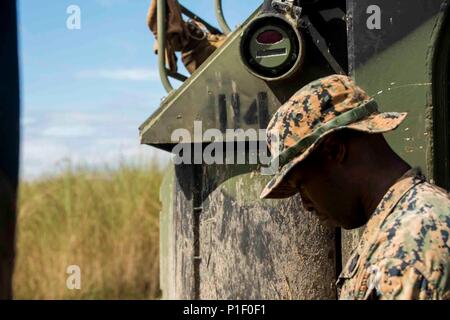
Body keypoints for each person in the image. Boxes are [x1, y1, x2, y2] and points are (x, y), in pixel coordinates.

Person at [260, 74, 450, 300]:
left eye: (301, 184)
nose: (306, 204)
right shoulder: (423, 213)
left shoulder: (401, 258)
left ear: (334, 151)